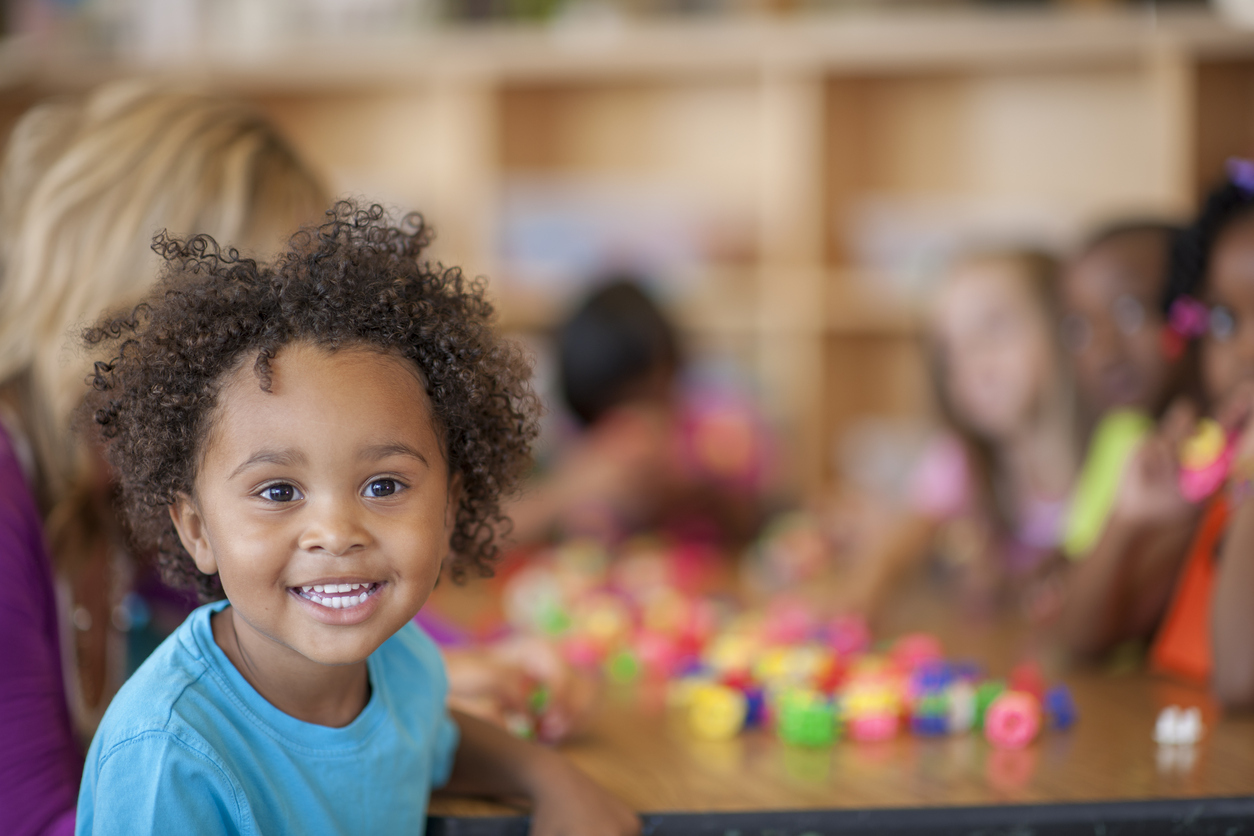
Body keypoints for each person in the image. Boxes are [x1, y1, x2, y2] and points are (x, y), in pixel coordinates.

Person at [75, 202, 640, 834]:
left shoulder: (403, 665)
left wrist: (551, 780)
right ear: (198, 530)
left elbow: (428, 733)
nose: (337, 532)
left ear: (450, 510)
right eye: (278, 491)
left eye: (383, 484)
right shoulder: (166, 758)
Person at [0, 84, 326, 836]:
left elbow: (252, 614)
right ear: (128, 303)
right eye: (251, 339)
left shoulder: (113, 483)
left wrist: (430, 680)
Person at [1062, 160, 1254, 709]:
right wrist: (1130, 521)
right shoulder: (1219, 474)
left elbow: (1242, 679)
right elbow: (1082, 641)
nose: (1244, 350)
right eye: (1224, 322)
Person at [842, 249, 1078, 622]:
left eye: (995, 327)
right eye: (952, 350)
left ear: (1067, 325)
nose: (974, 362)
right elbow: (904, 537)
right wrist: (864, 594)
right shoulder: (960, 458)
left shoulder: (1114, 457)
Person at [1058, 221, 1184, 559]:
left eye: (1130, 312)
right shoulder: (1119, 434)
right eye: (1079, 328)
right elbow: (1077, 553)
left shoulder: (1200, 459)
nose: (1103, 353)